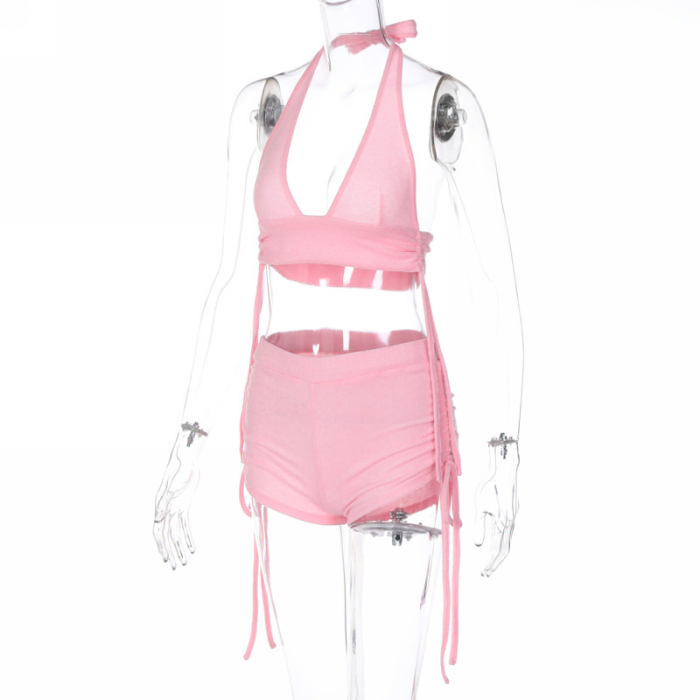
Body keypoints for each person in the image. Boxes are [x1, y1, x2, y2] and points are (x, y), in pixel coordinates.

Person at [153, 1, 523, 696]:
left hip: (393, 431)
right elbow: (228, 281)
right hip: (280, 433)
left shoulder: (438, 103)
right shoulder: (260, 108)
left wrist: (505, 450)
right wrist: (190, 439)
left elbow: (493, 285)